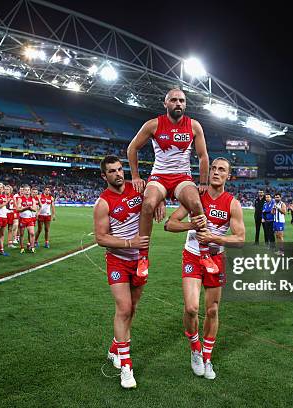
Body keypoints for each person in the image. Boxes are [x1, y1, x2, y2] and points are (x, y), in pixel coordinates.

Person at [165, 158, 245, 380]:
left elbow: (240, 239)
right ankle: (195, 349)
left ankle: (207, 357)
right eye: (214, 169)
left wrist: (213, 237)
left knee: (212, 310)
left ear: (228, 176)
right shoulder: (196, 197)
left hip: (216, 258)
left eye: (222, 170)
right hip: (192, 255)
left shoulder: (232, 203)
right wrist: (192, 225)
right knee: (191, 308)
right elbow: (170, 224)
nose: (216, 172)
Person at [127, 88, 216, 277]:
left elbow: (203, 156)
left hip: (182, 177)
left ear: (185, 104)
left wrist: (203, 182)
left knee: (196, 203)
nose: (178, 103)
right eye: (174, 100)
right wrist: (135, 176)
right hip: (159, 175)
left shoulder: (194, 126)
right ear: (165, 104)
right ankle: (143, 256)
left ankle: (204, 252)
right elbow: (132, 148)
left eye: (182, 100)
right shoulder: (153, 125)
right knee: (148, 203)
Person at [93, 155, 152, 389]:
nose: (118, 174)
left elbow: (154, 199)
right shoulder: (103, 203)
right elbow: (101, 238)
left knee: (133, 308)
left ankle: (115, 348)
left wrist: (156, 207)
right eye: (112, 171)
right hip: (117, 260)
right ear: (103, 175)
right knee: (124, 308)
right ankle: (126, 367)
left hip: (140, 261)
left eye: (120, 169)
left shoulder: (137, 189)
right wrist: (129, 243)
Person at [16, 185, 38, 254]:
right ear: (23, 191)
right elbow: (18, 209)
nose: (27, 191)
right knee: (22, 234)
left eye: (28, 190)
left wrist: (30, 208)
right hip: (22, 219)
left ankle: (32, 247)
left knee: (32, 233)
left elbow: (35, 209)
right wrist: (26, 208)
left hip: (30, 219)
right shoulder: (20, 199)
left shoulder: (33, 199)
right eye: (26, 190)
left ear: (30, 191)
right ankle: (22, 248)